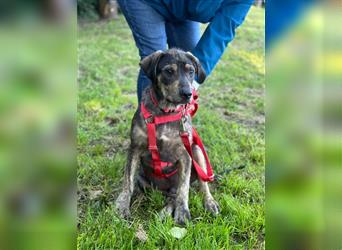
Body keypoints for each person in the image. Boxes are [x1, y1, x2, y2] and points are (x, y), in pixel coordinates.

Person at [117, 0, 253, 102]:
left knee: (187, 63)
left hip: (183, 12)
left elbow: (223, 29)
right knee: (154, 59)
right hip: (146, 2)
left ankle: (174, 125)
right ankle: (148, 127)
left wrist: (192, 83)